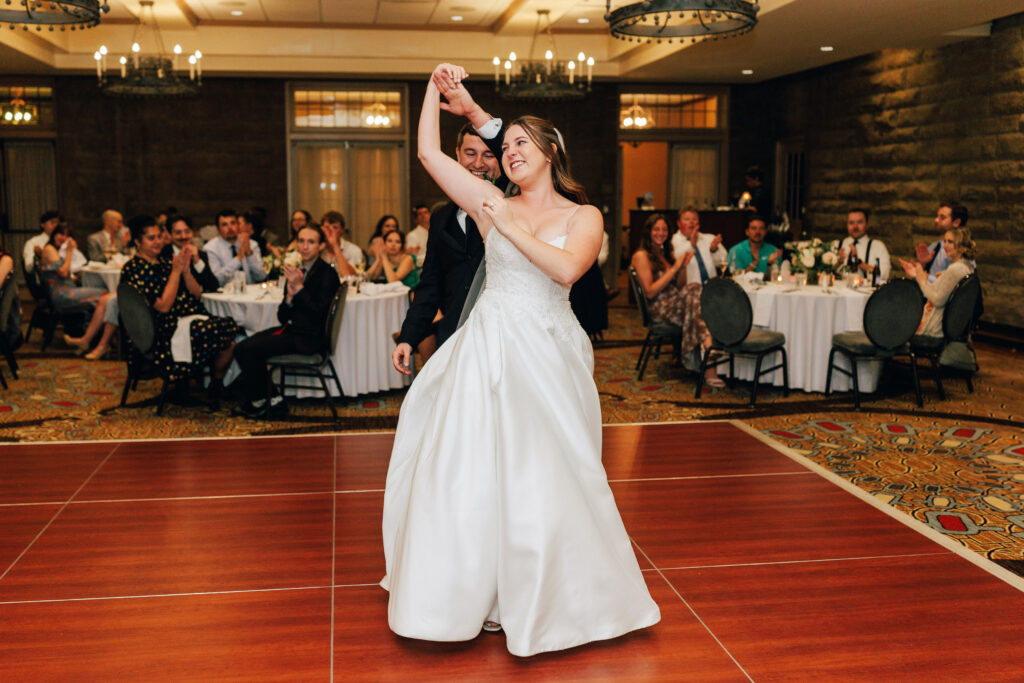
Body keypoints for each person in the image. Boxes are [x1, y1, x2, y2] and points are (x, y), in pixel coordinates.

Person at [381, 64, 660, 658]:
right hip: (488, 344)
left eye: (518, 145)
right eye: (501, 148)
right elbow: (430, 152)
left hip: (550, 350)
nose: (506, 154)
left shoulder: (583, 216)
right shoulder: (487, 201)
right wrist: (434, 90)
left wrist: (507, 221)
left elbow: (565, 270)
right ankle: (471, 592)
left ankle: (554, 596)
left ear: (551, 153)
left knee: (551, 475)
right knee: (470, 469)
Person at [392, 74, 505, 370]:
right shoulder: (441, 217)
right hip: (454, 335)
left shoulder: (510, 201)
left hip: (503, 335)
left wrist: (473, 110)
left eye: (488, 155)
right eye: (470, 153)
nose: (478, 163)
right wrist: (409, 336)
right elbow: (429, 284)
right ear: (456, 156)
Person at [231, 224, 340, 418]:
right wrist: (289, 298)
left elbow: (318, 314)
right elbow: (282, 316)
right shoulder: (296, 270)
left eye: (311, 242)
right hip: (292, 331)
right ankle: (271, 399)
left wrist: (299, 289)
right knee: (244, 347)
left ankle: (266, 401)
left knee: (246, 350)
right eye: (301, 241)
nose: (305, 246)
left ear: (321, 246)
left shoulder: (327, 274)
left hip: (309, 338)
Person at [121, 215, 240, 389]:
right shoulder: (134, 268)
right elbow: (163, 306)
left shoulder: (165, 261)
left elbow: (197, 294)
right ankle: (202, 382)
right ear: (138, 242)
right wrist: (175, 273)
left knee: (230, 330)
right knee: (220, 331)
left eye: (159, 237)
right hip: (161, 328)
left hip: (188, 317)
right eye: (151, 238)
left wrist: (185, 271)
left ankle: (215, 383)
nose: (157, 242)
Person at [631, 213, 723, 386]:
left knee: (698, 296)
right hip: (659, 308)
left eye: (664, 229)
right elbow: (650, 292)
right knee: (696, 290)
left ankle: (707, 353)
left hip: (675, 304)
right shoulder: (641, 255)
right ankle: (708, 351)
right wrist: (674, 269)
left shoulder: (664, 253)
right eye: (656, 229)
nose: (661, 233)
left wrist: (682, 267)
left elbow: (680, 285)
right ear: (648, 231)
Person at [39, 225, 117, 359]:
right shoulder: (49, 249)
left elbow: (64, 272)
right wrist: (70, 252)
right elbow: (63, 273)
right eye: (60, 234)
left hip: (68, 289)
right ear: (54, 234)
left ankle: (94, 340)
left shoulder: (56, 249)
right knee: (105, 295)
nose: (63, 238)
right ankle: (106, 340)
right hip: (62, 295)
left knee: (103, 297)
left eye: (67, 236)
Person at [899, 226, 976, 338]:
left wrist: (921, 280)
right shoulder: (963, 267)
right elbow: (940, 292)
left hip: (936, 330)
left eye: (950, 242)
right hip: (947, 326)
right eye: (944, 241)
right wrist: (918, 274)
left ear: (962, 247)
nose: (945, 246)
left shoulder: (956, 269)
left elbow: (937, 299)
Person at [202, 209, 267, 285]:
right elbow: (217, 280)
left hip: (250, 293)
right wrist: (238, 258)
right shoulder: (210, 248)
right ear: (218, 229)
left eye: (233, 223)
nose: (230, 227)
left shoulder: (252, 244)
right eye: (224, 224)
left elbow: (261, 276)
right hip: (223, 294)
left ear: (238, 225)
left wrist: (249, 253)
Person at [162, 215, 220, 292]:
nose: (183, 236)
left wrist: (197, 261)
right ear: (170, 235)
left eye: (187, 232)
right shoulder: (163, 255)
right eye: (178, 233)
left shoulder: (200, 254)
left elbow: (213, 287)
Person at [671, 206, 727, 284]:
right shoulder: (672, 241)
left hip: (712, 289)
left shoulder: (709, 238)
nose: (691, 222)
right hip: (689, 291)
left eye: (694, 219)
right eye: (687, 219)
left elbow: (724, 261)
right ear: (679, 224)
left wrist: (714, 250)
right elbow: (675, 260)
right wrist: (691, 245)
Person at [917, 201, 971, 282]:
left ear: (956, 222)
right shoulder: (934, 246)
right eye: (937, 216)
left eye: (942, 217)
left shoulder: (961, 249)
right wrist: (922, 264)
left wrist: (923, 276)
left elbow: (952, 283)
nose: (936, 220)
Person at [837, 208, 890, 281]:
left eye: (859, 222)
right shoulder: (838, 245)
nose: (855, 226)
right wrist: (838, 262)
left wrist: (860, 263)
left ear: (867, 224)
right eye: (851, 223)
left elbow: (884, 275)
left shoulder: (878, 246)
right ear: (847, 225)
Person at [320, 210, 363, 280]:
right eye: (327, 227)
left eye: (335, 228)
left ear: (342, 230)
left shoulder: (354, 250)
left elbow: (348, 277)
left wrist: (335, 246)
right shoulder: (316, 248)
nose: (330, 231)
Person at [23, 210, 61, 274]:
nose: (55, 225)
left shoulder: (62, 241)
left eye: (57, 223)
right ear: (42, 225)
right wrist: (40, 257)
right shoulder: (33, 243)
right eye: (52, 222)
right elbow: (28, 267)